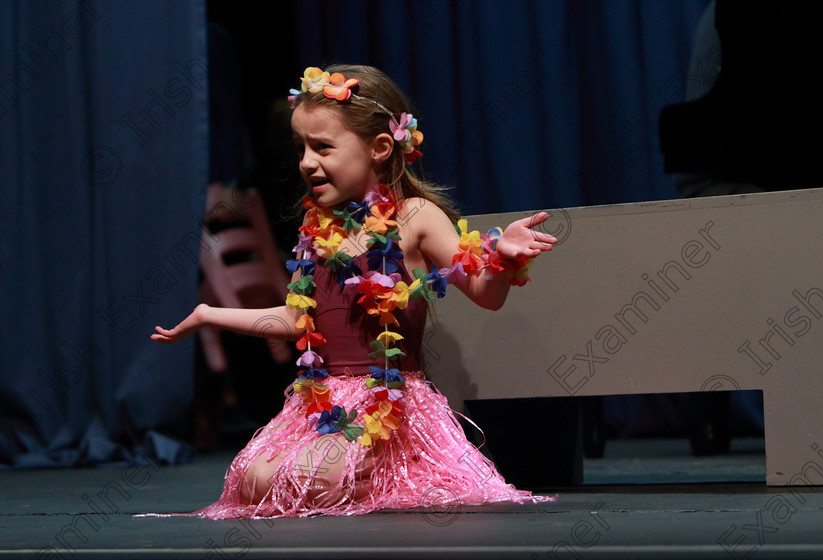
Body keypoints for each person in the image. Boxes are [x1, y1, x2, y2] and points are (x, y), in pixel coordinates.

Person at [151, 64, 557, 518]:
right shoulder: (315, 229)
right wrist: (210, 313)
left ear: (380, 148)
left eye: (322, 147)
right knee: (253, 479)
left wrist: (503, 257)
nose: (306, 161)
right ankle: (352, 477)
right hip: (322, 402)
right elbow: (295, 319)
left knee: (316, 480)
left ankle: (402, 469)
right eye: (301, 147)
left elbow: (486, 293)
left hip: (389, 409)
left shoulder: (415, 217)